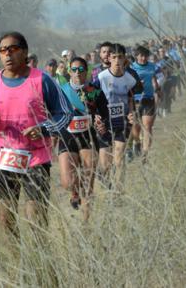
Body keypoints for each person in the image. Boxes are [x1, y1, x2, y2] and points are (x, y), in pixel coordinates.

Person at [0, 31, 73, 239]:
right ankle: (17, 263)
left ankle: (39, 263)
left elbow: (65, 113)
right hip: (2, 158)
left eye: (13, 49)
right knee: (5, 219)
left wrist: (44, 128)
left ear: (25, 52)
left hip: (35, 157)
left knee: (37, 217)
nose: (7, 54)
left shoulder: (42, 80)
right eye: (2, 50)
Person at [58, 57, 110, 221]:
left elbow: (105, 115)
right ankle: (73, 191)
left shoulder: (95, 91)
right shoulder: (60, 91)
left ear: (86, 71)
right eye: (74, 69)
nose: (77, 73)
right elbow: (50, 112)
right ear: (69, 71)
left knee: (88, 181)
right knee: (68, 182)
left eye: (81, 69)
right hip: (67, 136)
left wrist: (101, 123)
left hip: (88, 136)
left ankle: (86, 221)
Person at [94, 44, 138, 193]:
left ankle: (119, 191)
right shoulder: (101, 77)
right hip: (105, 123)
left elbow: (131, 99)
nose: (117, 61)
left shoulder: (130, 79)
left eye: (120, 57)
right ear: (109, 59)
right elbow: (91, 98)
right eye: (114, 57)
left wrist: (132, 113)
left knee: (119, 157)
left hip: (122, 121)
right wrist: (96, 114)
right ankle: (105, 183)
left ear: (125, 59)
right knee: (105, 164)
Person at [130, 46, 161, 163]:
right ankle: (137, 142)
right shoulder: (131, 68)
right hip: (135, 100)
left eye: (145, 56)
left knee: (147, 126)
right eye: (141, 56)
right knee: (136, 127)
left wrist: (157, 88)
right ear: (136, 56)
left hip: (148, 98)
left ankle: (145, 153)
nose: (143, 58)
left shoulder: (152, 66)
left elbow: (156, 78)